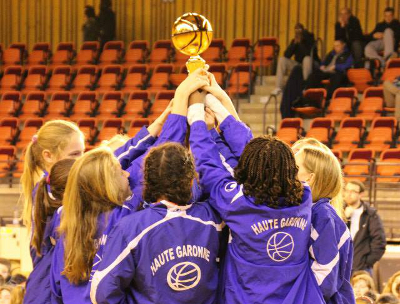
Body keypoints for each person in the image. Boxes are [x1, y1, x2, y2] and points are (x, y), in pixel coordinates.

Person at [187, 79, 324, 302]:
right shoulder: (304, 196)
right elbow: (256, 156)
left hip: (244, 298)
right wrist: (216, 101)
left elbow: (208, 164)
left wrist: (198, 115)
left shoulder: (239, 202)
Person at [294, 144, 354, 303]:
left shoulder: (322, 215)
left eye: (295, 167)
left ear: (309, 177)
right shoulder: (314, 211)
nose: (288, 171)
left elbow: (325, 275)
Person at [20, 120, 85, 263]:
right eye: (74, 154)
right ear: (48, 156)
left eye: (83, 153)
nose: (81, 160)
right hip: (48, 278)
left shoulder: (50, 185)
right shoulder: (49, 191)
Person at [23, 159, 76, 304]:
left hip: (38, 292)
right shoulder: (61, 219)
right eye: (75, 154)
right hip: (44, 296)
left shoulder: (52, 214)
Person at [344, 180, 386, 273]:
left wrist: (366, 262)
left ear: (361, 194)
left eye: (353, 191)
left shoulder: (370, 214)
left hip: (361, 269)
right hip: (340, 268)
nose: (348, 194)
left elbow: (379, 241)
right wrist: (344, 219)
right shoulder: (338, 211)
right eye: (346, 190)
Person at [273, 23, 316, 94]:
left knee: (306, 59)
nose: (297, 31)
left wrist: (300, 43)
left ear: (303, 30)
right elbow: (286, 55)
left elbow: (308, 53)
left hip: (308, 64)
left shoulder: (309, 40)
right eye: (296, 29)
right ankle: (278, 87)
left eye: (299, 29)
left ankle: (305, 86)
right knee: (282, 59)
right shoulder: (294, 41)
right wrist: (294, 44)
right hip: (298, 64)